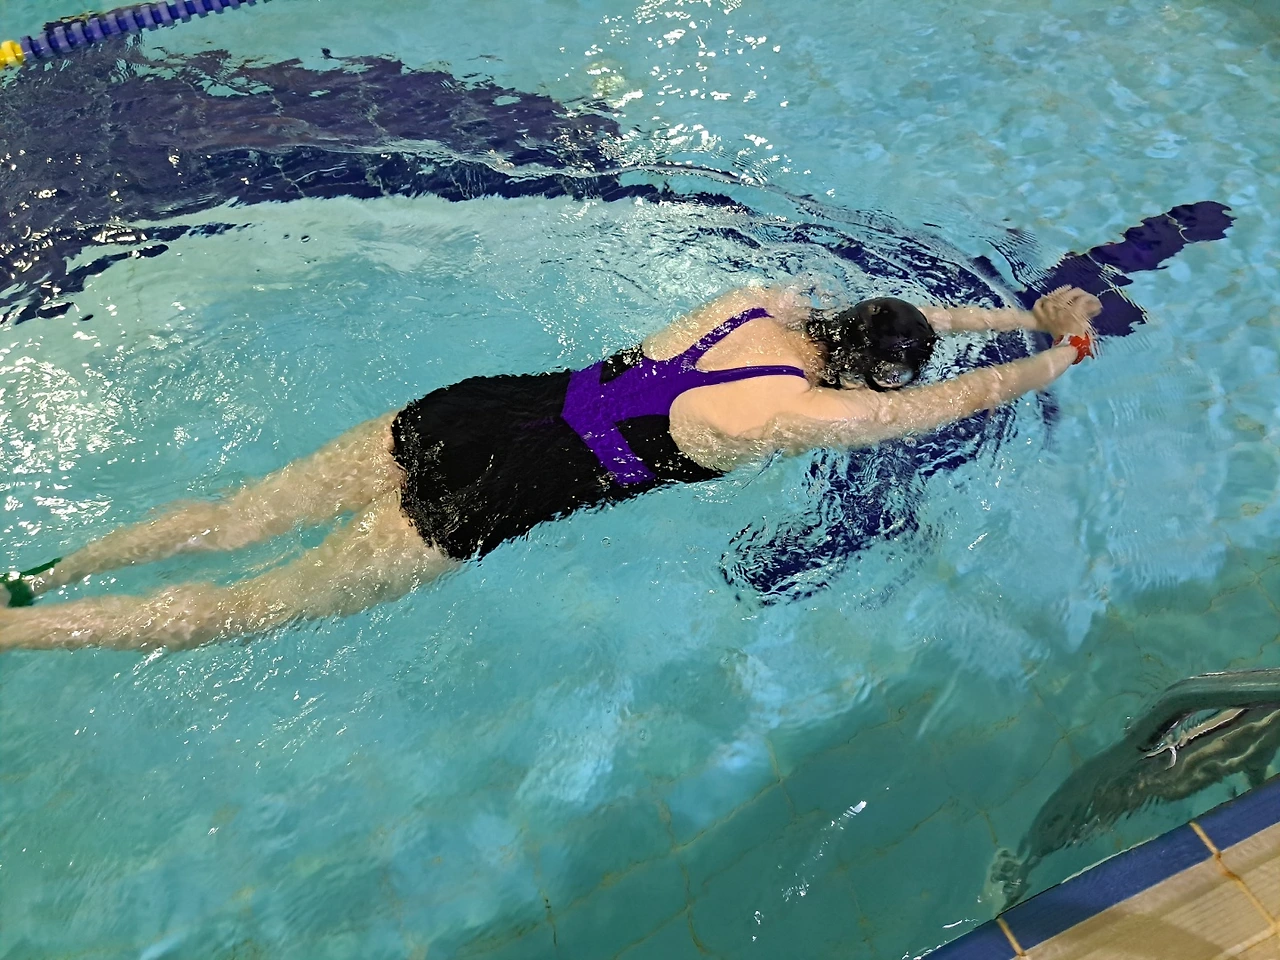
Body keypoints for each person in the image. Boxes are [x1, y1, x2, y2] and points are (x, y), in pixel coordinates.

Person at [0, 284, 1100, 651]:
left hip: (477, 409)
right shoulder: (802, 413)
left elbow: (920, 325)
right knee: (251, 605)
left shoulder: (758, 306)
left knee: (233, 517)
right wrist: (1058, 352)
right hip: (501, 491)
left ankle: (43, 577)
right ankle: (15, 633)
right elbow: (958, 397)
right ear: (870, 378)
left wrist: (1011, 314)